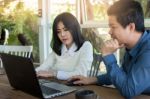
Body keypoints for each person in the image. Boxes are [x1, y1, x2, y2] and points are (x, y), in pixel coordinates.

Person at [68, 0, 150, 98]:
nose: (109, 32)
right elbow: (121, 75)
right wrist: (91, 79)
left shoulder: (148, 51)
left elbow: (129, 90)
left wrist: (108, 55)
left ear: (131, 27)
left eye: (113, 27)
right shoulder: (131, 45)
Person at [36, 12, 93, 80]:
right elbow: (44, 66)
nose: (62, 34)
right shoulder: (60, 46)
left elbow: (81, 73)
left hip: (75, 87)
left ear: (74, 29)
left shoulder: (86, 46)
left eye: (66, 30)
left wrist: (54, 73)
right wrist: (33, 73)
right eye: (59, 31)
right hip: (57, 84)